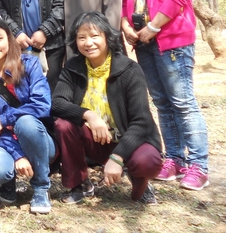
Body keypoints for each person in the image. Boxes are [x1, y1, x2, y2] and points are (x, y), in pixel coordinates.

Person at [120, 0, 208, 190]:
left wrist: (154, 27)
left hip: (171, 40)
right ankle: (174, 159)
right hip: (143, 41)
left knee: (182, 102)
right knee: (161, 102)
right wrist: (125, 25)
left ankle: (199, 164)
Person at [54, 12, 163, 204]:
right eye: (81, 37)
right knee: (64, 125)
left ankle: (140, 181)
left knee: (147, 161)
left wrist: (118, 157)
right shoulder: (73, 67)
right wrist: (89, 115)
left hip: (128, 141)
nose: (88, 43)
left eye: (94, 36)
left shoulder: (129, 69)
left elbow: (141, 122)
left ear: (107, 36)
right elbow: (57, 103)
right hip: (95, 140)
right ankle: (79, 184)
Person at [0, 16, 55, 215]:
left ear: (9, 39)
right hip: (3, 142)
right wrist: (18, 156)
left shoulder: (30, 64)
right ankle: (8, 180)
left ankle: (41, 187)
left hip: (38, 140)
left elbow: (41, 105)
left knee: (25, 122)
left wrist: (4, 119)